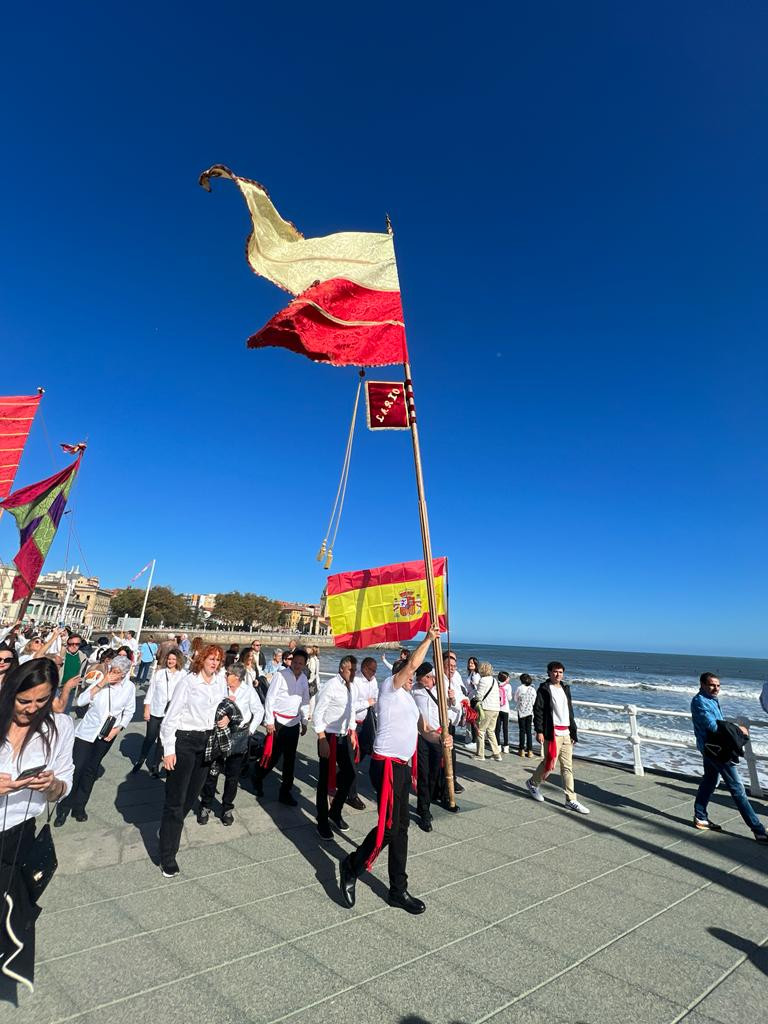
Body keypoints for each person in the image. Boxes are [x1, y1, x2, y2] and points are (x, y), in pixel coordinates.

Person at [339, 626, 444, 915]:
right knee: (388, 828)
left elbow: (426, 731)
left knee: (401, 830)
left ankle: (398, 889)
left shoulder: (411, 701)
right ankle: (352, 866)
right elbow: (410, 664)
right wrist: (428, 639)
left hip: (401, 767)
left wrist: (441, 737)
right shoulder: (388, 689)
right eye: (409, 674)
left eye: (413, 676)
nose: (413, 677)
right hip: (384, 765)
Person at [0, 658, 74, 994]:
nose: (31, 709)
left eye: (41, 701)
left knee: (11, 911)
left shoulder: (60, 727)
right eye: (24, 700)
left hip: (18, 834)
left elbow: (64, 787)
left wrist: (50, 785)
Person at [158, 644, 227, 877]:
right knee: (175, 800)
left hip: (207, 741)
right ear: (202, 659)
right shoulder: (188, 682)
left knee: (190, 797)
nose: (214, 663)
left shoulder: (220, 682)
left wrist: (225, 719)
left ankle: (169, 828)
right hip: (185, 740)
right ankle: (167, 855)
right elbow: (171, 716)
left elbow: (223, 707)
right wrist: (168, 749)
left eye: (218, 660)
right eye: (211, 658)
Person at [54, 655, 136, 826]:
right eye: (111, 669)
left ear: (124, 674)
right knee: (77, 768)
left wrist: (118, 728)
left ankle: (80, 806)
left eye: (118, 672)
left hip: (107, 733)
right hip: (86, 732)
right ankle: (64, 807)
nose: (114, 674)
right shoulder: (101, 681)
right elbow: (81, 701)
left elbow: (129, 711)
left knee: (91, 769)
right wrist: (102, 683)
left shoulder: (129, 688)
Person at [690, 672, 767, 841]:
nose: (716, 688)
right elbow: (713, 726)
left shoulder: (711, 699)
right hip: (716, 751)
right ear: (702, 684)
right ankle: (759, 830)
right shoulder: (699, 702)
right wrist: (739, 730)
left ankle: (700, 816)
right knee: (737, 789)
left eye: (718, 685)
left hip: (711, 748)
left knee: (710, 780)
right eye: (711, 685)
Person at [198, 662, 264, 826]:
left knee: (232, 776)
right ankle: (205, 805)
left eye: (228, 674)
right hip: (218, 735)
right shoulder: (220, 688)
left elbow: (259, 711)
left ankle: (227, 808)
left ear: (238, 677)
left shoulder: (248, 691)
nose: (226, 676)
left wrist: (250, 730)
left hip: (238, 736)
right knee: (212, 772)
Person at [526, 661, 589, 814]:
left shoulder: (566, 689)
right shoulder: (544, 689)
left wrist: (573, 732)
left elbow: (570, 711)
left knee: (567, 767)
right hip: (552, 733)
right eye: (555, 671)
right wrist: (539, 731)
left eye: (560, 672)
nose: (558, 674)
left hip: (566, 732)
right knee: (549, 763)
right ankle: (533, 783)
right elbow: (538, 711)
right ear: (549, 672)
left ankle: (571, 800)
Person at [253, 648, 310, 806]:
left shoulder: (304, 679)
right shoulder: (281, 675)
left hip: (293, 724)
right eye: (296, 662)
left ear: (305, 664)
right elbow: (270, 698)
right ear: (291, 661)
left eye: (301, 663)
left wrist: (304, 721)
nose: (298, 665)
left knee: (290, 760)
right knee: (273, 756)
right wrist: (269, 721)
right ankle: (258, 776)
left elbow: (305, 700)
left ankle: (285, 792)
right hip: (278, 723)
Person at [411, 661, 460, 831]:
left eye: (421, 678)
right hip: (422, 736)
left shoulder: (443, 687)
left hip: (440, 736)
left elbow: (455, 711)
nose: (418, 681)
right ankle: (423, 810)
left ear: (429, 677)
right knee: (423, 773)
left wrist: (452, 700)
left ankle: (439, 798)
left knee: (439, 771)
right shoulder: (415, 690)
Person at [313, 655, 358, 839]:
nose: (353, 673)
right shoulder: (331, 685)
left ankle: (335, 811)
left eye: (355, 670)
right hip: (328, 736)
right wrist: (321, 737)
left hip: (344, 735)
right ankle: (322, 820)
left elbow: (351, 709)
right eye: (351, 670)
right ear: (341, 669)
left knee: (350, 775)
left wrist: (353, 731)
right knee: (324, 781)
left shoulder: (352, 686)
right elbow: (318, 712)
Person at [131, 648, 184, 777]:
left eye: (173, 659)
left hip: (171, 712)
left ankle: (155, 764)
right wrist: (146, 709)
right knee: (150, 737)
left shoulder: (183, 675)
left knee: (162, 740)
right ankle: (141, 759)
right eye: (169, 659)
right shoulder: (159, 673)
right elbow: (151, 692)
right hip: (156, 710)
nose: (171, 661)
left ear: (178, 661)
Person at [347, 656, 379, 810]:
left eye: (375, 670)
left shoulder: (373, 680)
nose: (374, 673)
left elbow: (376, 698)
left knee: (366, 750)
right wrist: (367, 703)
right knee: (353, 758)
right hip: (353, 723)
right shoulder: (355, 681)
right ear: (364, 668)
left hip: (367, 722)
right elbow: (351, 705)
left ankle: (346, 771)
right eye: (372, 670)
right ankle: (351, 795)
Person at [475, 662, 502, 760]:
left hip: (487, 708)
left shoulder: (483, 680)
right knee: (491, 731)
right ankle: (496, 754)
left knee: (480, 731)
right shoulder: (494, 680)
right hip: (496, 708)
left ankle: (480, 754)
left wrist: (474, 695)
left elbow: (479, 695)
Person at [515, 673, 536, 757]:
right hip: (530, 712)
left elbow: (515, 699)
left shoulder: (519, 688)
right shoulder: (533, 689)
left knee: (522, 731)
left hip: (521, 712)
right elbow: (534, 701)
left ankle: (521, 750)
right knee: (529, 731)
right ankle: (530, 751)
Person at [495, 670, 512, 754]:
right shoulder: (508, 686)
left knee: (497, 729)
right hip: (505, 709)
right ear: (506, 678)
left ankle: (497, 746)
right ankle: (505, 747)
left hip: (497, 709)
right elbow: (509, 698)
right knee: (505, 728)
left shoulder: (496, 685)